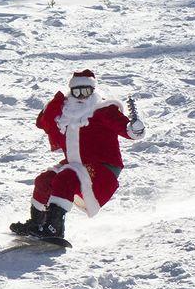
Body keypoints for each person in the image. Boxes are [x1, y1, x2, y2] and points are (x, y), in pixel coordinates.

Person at [10, 69, 145, 241]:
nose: (81, 96)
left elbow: (128, 131)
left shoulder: (103, 110)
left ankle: (55, 228)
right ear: (71, 91)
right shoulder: (66, 112)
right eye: (77, 91)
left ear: (93, 91)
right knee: (44, 180)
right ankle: (38, 222)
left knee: (67, 177)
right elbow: (43, 123)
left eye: (86, 91)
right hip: (76, 164)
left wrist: (135, 129)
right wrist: (52, 106)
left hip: (103, 168)